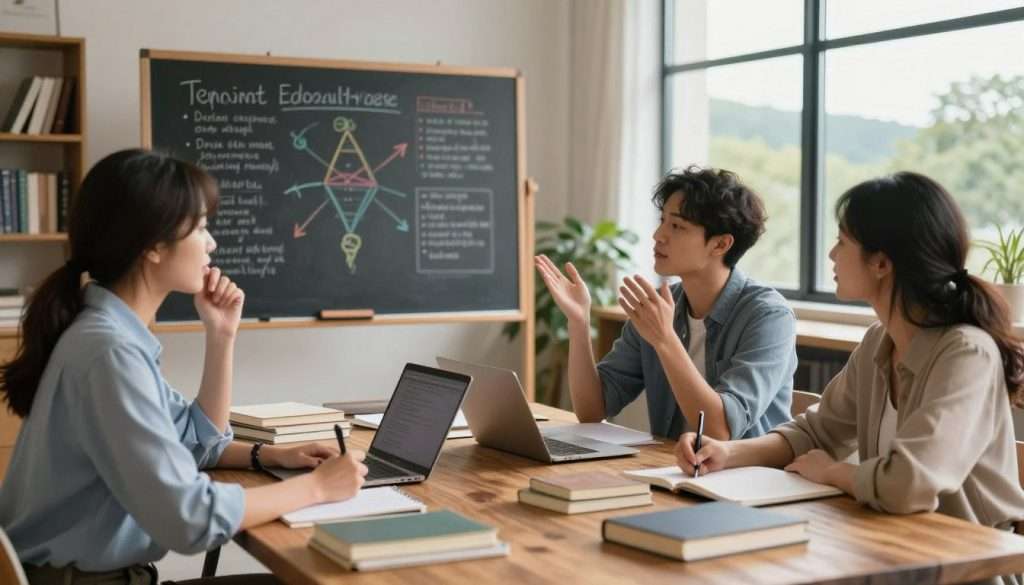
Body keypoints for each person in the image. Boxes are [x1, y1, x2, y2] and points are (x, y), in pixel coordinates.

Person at [0, 149, 368, 585]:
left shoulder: (106, 335)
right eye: (201, 226)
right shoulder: (109, 353)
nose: (211, 243)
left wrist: (221, 335)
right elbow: (190, 520)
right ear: (154, 245)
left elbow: (198, 442)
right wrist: (317, 488)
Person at [676, 172, 1024, 585]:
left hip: (966, 572)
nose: (830, 254)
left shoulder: (966, 352)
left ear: (881, 263)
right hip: (891, 555)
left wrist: (833, 472)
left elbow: (909, 484)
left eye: (842, 241)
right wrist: (729, 453)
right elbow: (815, 432)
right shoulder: (881, 340)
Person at [535, 166, 796, 440]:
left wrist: (665, 338)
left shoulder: (768, 317)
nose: (658, 235)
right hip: (672, 470)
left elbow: (720, 431)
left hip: (745, 477)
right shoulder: (660, 307)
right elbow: (592, 410)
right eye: (662, 221)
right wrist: (579, 322)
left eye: (677, 226)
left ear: (720, 245)